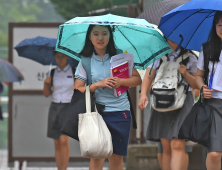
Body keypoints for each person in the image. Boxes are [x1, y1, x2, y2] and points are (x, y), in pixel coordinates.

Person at [74, 24, 141, 170]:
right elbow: (78, 89)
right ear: (90, 37)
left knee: (116, 159)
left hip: (120, 112)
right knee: (97, 157)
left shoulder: (121, 56)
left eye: (104, 33)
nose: (100, 38)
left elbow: (137, 79)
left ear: (110, 36)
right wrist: (97, 84)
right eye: (96, 34)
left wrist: (121, 81)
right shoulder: (85, 61)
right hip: (97, 114)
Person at [138, 39, 198, 170]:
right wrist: (143, 95)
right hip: (161, 102)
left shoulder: (191, 57)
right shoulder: (157, 55)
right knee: (166, 147)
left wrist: (185, 74)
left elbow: (196, 84)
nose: (174, 38)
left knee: (177, 144)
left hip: (183, 102)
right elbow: (148, 77)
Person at [195, 11, 222, 170]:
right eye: (220, 25)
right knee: (214, 153)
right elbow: (199, 76)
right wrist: (202, 87)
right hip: (214, 105)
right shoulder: (207, 48)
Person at [43, 52, 74, 170]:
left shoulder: (74, 71)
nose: (60, 59)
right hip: (55, 107)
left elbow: (79, 90)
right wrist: (46, 83)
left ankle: (64, 168)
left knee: (64, 140)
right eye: (57, 57)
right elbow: (46, 94)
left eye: (62, 57)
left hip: (68, 107)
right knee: (56, 142)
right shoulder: (52, 72)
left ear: (67, 57)